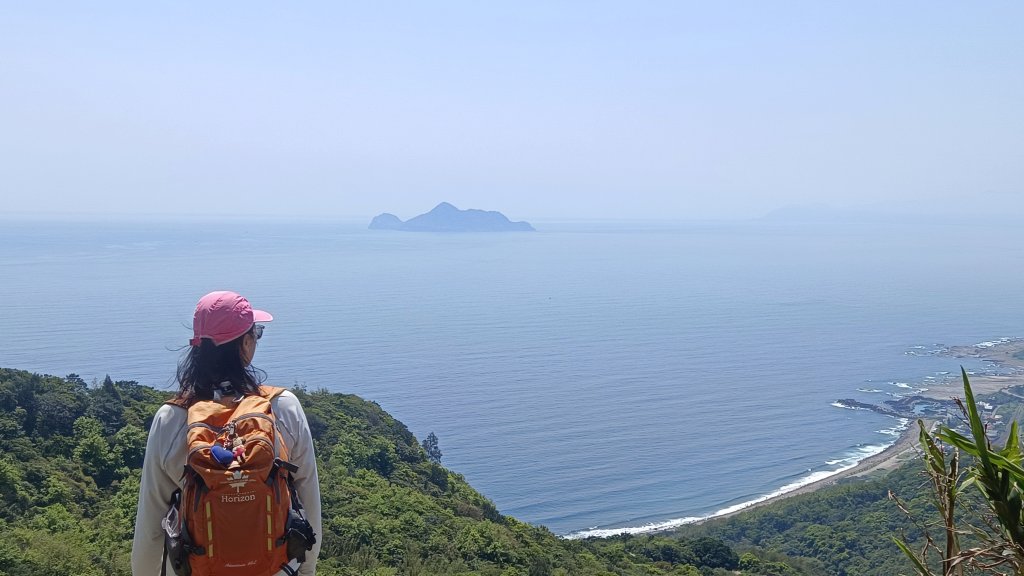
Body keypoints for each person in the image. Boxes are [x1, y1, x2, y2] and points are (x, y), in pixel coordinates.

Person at [131, 290, 322, 576]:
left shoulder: (170, 419)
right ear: (244, 343)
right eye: (256, 333)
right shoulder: (283, 408)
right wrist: (306, 570)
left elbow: (150, 526)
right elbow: (309, 505)